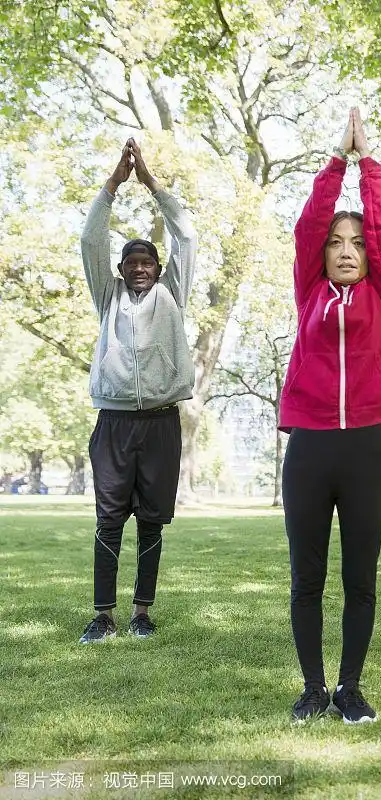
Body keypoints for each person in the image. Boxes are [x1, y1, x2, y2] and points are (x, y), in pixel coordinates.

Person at [280, 108, 381, 724]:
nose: (348, 250)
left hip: (364, 449)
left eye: (356, 243)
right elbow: (308, 224)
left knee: (360, 578)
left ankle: (350, 689)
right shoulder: (309, 290)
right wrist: (338, 162)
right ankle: (311, 688)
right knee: (307, 577)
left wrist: (370, 163)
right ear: (322, 254)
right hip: (308, 447)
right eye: (338, 242)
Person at [78, 139, 196, 644]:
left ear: (160, 268)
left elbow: (185, 236)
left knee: (151, 523)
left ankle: (141, 612)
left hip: (161, 423)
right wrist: (113, 184)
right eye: (132, 261)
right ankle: (103, 615)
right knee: (109, 521)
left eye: (149, 260)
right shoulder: (108, 298)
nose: (142, 266)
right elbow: (90, 239)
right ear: (121, 270)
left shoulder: (173, 295)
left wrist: (150, 183)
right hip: (114, 422)